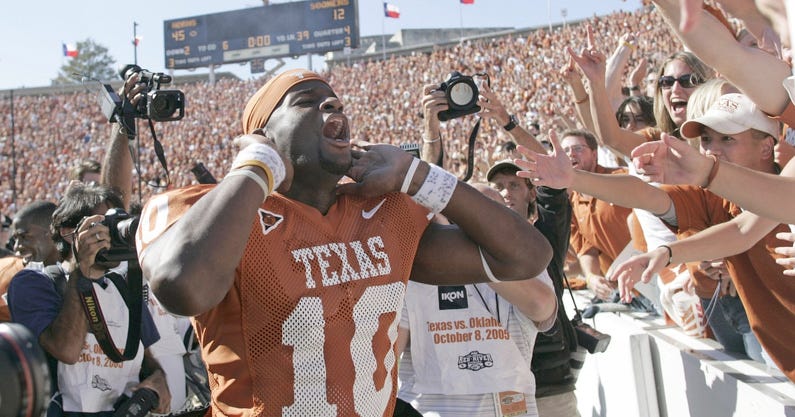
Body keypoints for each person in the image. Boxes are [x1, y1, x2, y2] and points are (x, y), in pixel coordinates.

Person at [136, 68, 553, 417]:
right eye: (305, 101)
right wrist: (255, 169)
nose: (333, 105)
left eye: (335, 101)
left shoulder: (382, 215)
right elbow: (181, 285)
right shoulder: (211, 213)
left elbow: (527, 257)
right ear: (263, 134)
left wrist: (417, 174)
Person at [515, 93, 791, 378]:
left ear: (766, 147)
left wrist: (669, 253)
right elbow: (647, 195)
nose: (712, 151)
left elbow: (741, 231)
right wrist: (572, 179)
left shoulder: (787, 191)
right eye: (707, 140)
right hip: (772, 345)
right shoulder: (713, 197)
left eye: (727, 139)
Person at [7, 183, 171, 416]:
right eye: (105, 225)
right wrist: (82, 270)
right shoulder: (34, 282)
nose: (115, 234)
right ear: (69, 232)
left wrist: (158, 381)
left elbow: (144, 359)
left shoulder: (122, 288)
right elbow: (67, 350)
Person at [559, 129, 634, 302]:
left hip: (660, 273)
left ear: (595, 154)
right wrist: (592, 277)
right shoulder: (571, 204)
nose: (571, 154)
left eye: (578, 148)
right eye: (565, 151)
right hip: (631, 293)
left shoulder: (623, 179)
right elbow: (586, 249)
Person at [0, 201, 60, 323]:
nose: (16, 246)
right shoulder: (10, 273)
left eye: (24, 237)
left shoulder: (80, 271)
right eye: (16, 238)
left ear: (52, 232)